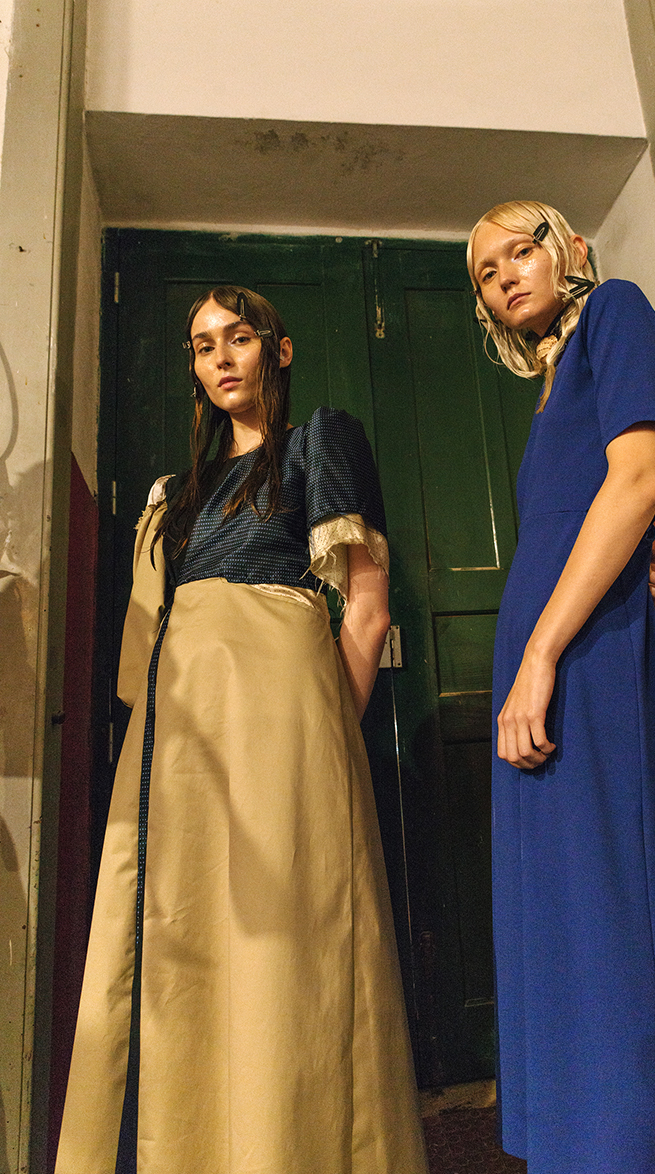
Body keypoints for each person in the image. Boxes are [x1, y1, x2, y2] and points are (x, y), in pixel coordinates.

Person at [55, 287, 429, 1174]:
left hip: (283, 722)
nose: (220, 357)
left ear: (278, 349)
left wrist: (326, 743)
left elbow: (366, 609)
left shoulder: (317, 443)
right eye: (202, 345)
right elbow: (139, 657)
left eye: (239, 336)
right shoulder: (172, 497)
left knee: (280, 936)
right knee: (178, 931)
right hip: (180, 733)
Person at [466, 202, 655, 1173]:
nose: (506, 276)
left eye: (521, 250)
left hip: (569, 653)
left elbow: (636, 483)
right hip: (559, 633)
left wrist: (541, 657)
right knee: (563, 895)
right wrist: (631, 566)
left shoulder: (616, 311)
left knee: (603, 892)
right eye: (485, 273)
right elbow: (588, 505)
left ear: (571, 250)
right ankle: (584, 1139)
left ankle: (628, 1145)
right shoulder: (553, 378)